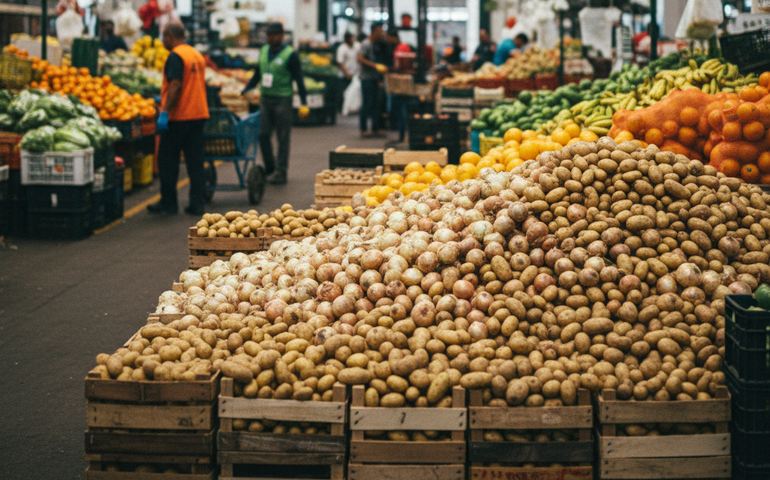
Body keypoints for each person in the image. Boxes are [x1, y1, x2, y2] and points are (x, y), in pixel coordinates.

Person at [149, 23, 209, 216]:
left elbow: (175, 85)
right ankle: (197, 204)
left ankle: (169, 203)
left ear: (170, 35)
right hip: (198, 114)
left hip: (179, 116)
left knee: (167, 161)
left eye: (163, 37)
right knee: (195, 162)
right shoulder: (196, 54)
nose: (162, 41)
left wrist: (165, 112)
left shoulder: (176, 56)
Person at [241, 23, 310, 185]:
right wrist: (247, 89)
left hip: (283, 100)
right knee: (263, 135)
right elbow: (258, 73)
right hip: (265, 99)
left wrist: (304, 103)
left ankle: (281, 172)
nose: (271, 38)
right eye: (269, 35)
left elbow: (299, 79)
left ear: (281, 35)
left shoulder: (290, 54)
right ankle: (270, 168)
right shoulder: (264, 50)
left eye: (274, 35)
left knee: (283, 137)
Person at [357, 22, 388, 137]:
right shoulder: (366, 43)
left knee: (376, 103)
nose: (382, 33)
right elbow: (360, 58)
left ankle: (375, 128)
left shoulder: (377, 43)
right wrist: (375, 66)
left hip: (375, 78)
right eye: (380, 31)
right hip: (367, 79)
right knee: (367, 103)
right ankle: (363, 129)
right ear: (374, 31)